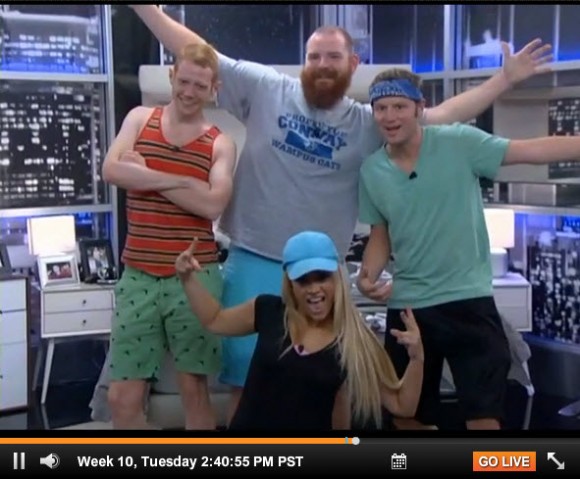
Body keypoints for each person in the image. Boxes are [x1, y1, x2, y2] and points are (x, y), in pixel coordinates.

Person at [130, 4, 552, 422]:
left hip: (323, 274)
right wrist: (144, 9)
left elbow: (440, 116)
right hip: (254, 257)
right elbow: (198, 54)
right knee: (248, 380)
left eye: (333, 56)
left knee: (335, 380)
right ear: (304, 62)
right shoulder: (266, 89)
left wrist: (504, 79)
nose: (323, 64)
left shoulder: (369, 123)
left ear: (353, 64)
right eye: (314, 56)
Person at [356, 67, 580, 430]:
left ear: (419, 108)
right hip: (410, 306)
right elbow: (380, 235)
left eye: (399, 106)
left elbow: (529, 150)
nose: (389, 116)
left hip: (467, 301)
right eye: (381, 108)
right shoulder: (371, 171)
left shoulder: (457, 143)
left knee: (484, 418)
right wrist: (368, 277)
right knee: (406, 417)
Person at [100, 42, 237, 429]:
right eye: (185, 81)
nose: (190, 92)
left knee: (194, 391)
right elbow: (111, 171)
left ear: (214, 89)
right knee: (121, 397)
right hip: (138, 273)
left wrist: (144, 176)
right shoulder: (140, 119)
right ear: (172, 77)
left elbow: (213, 206)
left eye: (200, 86)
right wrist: (184, 181)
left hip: (195, 276)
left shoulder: (220, 143)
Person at [175, 231, 424, 430]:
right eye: (303, 280)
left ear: (337, 278)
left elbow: (402, 405)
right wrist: (187, 279)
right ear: (290, 284)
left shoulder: (354, 339)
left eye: (322, 277)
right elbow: (214, 320)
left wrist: (417, 359)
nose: (314, 288)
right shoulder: (269, 311)